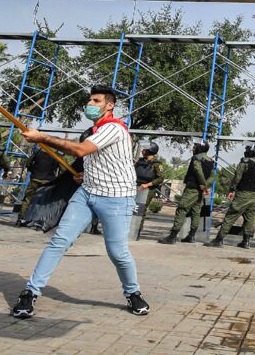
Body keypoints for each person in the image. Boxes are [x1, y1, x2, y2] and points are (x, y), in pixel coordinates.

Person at [12, 85, 149, 319]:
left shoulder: (113, 128)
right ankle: (30, 292)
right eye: (90, 101)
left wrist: (41, 137)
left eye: (96, 101)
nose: (90, 105)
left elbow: (80, 151)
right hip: (86, 194)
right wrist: (87, 175)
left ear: (109, 105)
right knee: (59, 241)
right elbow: (103, 160)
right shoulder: (95, 130)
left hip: (116, 199)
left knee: (117, 252)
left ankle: (133, 292)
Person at [207, 143, 255, 248]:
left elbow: (237, 177)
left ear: (251, 152)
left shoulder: (245, 162)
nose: (246, 151)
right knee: (250, 219)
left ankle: (219, 239)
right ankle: (246, 242)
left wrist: (232, 189)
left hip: (243, 194)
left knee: (230, 216)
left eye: (248, 150)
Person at [158, 139, 212, 245]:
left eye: (195, 147)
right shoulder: (210, 160)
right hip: (200, 192)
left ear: (200, 148)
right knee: (196, 212)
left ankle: (172, 237)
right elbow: (213, 176)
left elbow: (198, 171)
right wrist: (205, 186)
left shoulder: (196, 158)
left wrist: (203, 185)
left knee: (181, 210)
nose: (192, 149)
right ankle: (191, 236)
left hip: (192, 189)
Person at [18, 147, 63, 222]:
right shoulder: (56, 155)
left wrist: (32, 171)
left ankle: (21, 218)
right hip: (48, 181)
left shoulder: (37, 152)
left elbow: (28, 163)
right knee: (45, 202)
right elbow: (63, 169)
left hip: (35, 179)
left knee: (28, 199)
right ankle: (40, 221)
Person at [133, 142, 164, 235]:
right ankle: (129, 228)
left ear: (150, 151)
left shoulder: (157, 164)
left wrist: (147, 185)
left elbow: (161, 178)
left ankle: (137, 230)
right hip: (137, 187)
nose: (143, 151)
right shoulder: (140, 161)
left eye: (145, 149)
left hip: (148, 189)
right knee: (132, 208)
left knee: (141, 209)